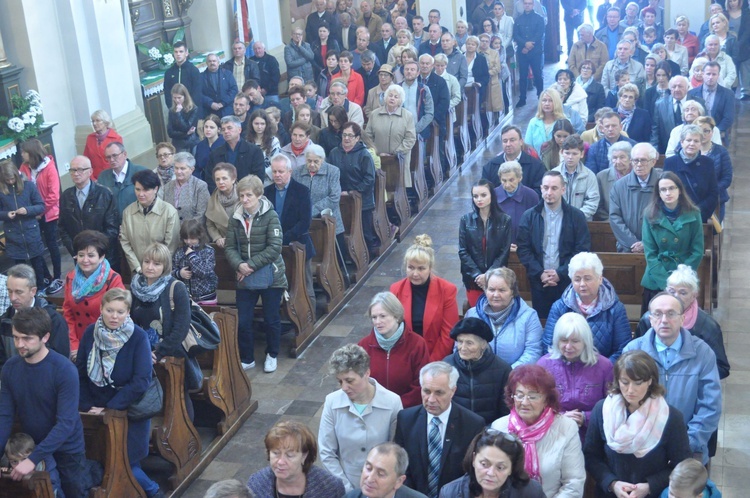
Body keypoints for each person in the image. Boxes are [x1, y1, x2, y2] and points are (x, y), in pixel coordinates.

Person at [76, 288, 163, 498]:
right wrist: (87, 407)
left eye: (120, 312)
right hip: (95, 408)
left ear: (128, 313)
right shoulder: (90, 333)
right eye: (110, 310)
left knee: (126, 462)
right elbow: (80, 373)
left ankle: (154, 491)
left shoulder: (138, 337)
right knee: (99, 458)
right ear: (101, 309)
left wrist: (110, 409)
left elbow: (141, 381)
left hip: (129, 408)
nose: (114, 316)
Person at [627, 290, 723, 466]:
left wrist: (686, 443)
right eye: (657, 314)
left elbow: (710, 406)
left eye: (671, 313)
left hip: (690, 447)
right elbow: (622, 400)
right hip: (643, 446)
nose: (664, 320)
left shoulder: (702, 352)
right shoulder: (633, 351)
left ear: (682, 318)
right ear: (649, 318)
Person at [0, 308, 87, 498]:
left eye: (27, 338)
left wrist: (33, 459)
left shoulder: (64, 370)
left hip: (67, 451)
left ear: (45, 337)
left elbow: (65, 423)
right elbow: (4, 415)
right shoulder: (10, 368)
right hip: (31, 446)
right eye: (16, 338)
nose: (19, 344)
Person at [583, 350, 692, 497]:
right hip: (609, 493)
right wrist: (612, 483)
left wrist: (649, 486)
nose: (630, 390)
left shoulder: (671, 417)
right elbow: (591, 456)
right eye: (625, 382)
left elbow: (682, 465)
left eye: (638, 382)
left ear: (650, 381)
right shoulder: (602, 410)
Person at [490, 364, 586, 498]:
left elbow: (573, 482)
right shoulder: (499, 428)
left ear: (547, 399)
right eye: (519, 395)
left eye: (532, 396)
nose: (524, 402)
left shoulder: (566, 428)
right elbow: (490, 479)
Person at [394, 361, 486, 498]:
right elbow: (400, 466)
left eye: (439, 393)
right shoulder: (406, 419)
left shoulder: (472, 424)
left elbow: (472, 472)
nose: (431, 399)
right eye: (426, 391)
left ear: (453, 391)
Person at [318, 344, 403, 491]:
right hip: (343, 483)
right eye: (340, 381)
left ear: (366, 373)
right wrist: (346, 488)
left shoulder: (392, 402)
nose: (344, 387)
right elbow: (326, 452)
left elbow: (396, 451)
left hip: (381, 486)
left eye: (350, 381)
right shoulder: (332, 402)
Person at [225, 174, 288, 373]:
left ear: (259, 195)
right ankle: (247, 357)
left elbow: (275, 247)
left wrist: (249, 265)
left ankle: (272, 354)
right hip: (244, 275)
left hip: (271, 275)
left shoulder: (271, 216)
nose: (244, 200)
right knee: (243, 320)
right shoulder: (235, 218)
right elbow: (229, 247)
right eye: (241, 196)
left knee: (271, 319)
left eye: (249, 195)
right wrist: (239, 265)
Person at [517, 171, 591, 319]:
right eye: (545, 188)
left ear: (563, 189)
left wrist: (560, 273)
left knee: (569, 322)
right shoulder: (529, 216)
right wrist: (540, 273)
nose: (549, 192)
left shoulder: (576, 216)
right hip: (540, 282)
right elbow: (524, 249)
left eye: (554, 188)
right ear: (541, 188)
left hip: (567, 281)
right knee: (543, 322)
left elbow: (582, 249)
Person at [636, 264, 729, 380]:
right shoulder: (648, 319)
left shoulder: (708, 325)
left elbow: (722, 367)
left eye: (683, 293)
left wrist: (689, 375)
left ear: (694, 295)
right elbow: (636, 356)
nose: (676, 297)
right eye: (671, 291)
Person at [542, 251, 631, 362]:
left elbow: (623, 349)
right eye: (577, 279)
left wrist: (602, 369)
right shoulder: (559, 307)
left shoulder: (615, 309)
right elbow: (548, 346)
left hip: (602, 373)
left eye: (587, 278)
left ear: (600, 279)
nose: (582, 284)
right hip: (567, 370)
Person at [538, 312, 613, 442]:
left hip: (593, 435)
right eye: (564, 340)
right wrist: (560, 418)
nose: (568, 347)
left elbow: (613, 406)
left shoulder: (604, 366)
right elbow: (537, 405)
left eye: (575, 341)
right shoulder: (544, 365)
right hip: (553, 433)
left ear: (586, 342)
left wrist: (585, 417)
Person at [640, 171, 704, 311]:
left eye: (671, 188)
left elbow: (697, 251)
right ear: (659, 193)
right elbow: (650, 253)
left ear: (679, 190)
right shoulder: (650, 214)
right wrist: (666, 282)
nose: (668, 193)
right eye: (663, 189)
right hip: (656, 279)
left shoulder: (693, 213)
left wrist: (679, 279)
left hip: (682, 280)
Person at [390, 235, 458, 361]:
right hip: (405, 357)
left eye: (421, 268)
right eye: (411, 268)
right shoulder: (396, 290)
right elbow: (393, 330)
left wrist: (430, 363)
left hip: (435, 357)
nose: (415, 273)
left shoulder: (447, 290)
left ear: (430, 268)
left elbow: (448, 334)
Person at [358, 292, 430, 407]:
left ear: (396, 316)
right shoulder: (364, 345)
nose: (377, 322)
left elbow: (421, 384)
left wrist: (396, 406)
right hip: (374, 409)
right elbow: (359, 381)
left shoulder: (417, 344)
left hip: (406, 410)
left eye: (382, 316)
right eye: (374, 317)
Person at [264, 154, 316, 311]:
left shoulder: (301, 191)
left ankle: (309, 315)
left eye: (281, 171)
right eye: (274, 172)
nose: (277, 175)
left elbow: (304, 222)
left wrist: (282, 239)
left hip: (297, 245)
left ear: (289, 171)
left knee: (304, 283)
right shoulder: (266, 192)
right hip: (273, 247)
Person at [63, 230, 125, 362]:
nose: (85, 260)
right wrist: (74, 345)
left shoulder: (112, 279)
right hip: (79, 345)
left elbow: (119, 317)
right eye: (81, 255)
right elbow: (68, 314)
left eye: (91, 255)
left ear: (101, 257)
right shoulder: (70, 278)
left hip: (106, 345)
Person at [247, 420, 347, 497]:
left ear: (304, 456)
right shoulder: (256, 484)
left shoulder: (331, 487)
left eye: (289, 455)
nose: (281, 462)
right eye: (276, 453)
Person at [439, 428, 547, 498]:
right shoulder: (450, 493)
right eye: (484, 464)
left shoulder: (531, 493)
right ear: (473, 459)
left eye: (500, 467)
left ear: (511, 468)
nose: (490, 473)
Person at [443, 318, 511, 424]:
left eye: (469, 343)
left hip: (488, 429)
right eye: (460, 342)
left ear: (483, 345)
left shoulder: (502, 369)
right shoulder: (447, 365)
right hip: (455, 427)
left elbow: (505, 409)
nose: (463, 347)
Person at [0, 264, 70, 366]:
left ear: (33, 291)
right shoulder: (4, 321)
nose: (13, 297)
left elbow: (61, 362)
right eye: (10, 291)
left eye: (19, 292)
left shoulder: (53, 320)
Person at [58, 155, 119, 269]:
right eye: (72, 170)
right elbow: (62, 228)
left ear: (90, 171)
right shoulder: (66, 196)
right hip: (79, 256)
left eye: (80, 169)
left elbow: (112, 228)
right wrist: (76, 250)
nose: (76, 173)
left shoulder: (104, 194)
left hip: (102, 256)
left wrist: (94, 251)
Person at [458, 179, 512, 307]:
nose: (479, 199)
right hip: (474, 279)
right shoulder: (466, 220)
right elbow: (463, 251)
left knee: (496, 312)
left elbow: (504, 251)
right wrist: (478, 275)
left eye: (483, 195)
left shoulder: (505, 220)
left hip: (497, 278)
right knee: (477, 314)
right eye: (475, 196)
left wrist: (488, 275)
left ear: (491, 196)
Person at [329, 121, 380, 254]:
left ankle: (366, 256)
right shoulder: (334, 153)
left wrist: (353, 192)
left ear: (357, 138)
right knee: (344, 231)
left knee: (364, 232)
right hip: (340, 200)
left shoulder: (364, 155)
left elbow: (369, 179)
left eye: (350, 136)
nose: (346, 138)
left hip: (362, 201)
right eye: (344, 135)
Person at [19, 139, 63, 295]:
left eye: (24, 152)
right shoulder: (24, 167)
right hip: (33, 213)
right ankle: (46, 276)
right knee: (37, 246)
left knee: (52, 245)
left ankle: (57, 277)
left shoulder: (49, 168)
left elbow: (53, 195)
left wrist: (39, 212)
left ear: (32, 153)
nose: (21, 154)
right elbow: (21, 189)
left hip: (48, 213)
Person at [119, 169, 180, 274]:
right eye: (137, 189)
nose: (141, 194)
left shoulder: (169, 212)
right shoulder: (128, 212)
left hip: (161, 272)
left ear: (156, 189)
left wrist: (154, 268)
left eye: (145, 190)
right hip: (137, 271)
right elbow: (125, 242)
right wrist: (138, 267)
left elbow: (170, 247)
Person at [0, 161, 48, 291]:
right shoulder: (1, 192)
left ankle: (41, 289)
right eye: (7, 179)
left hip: (30, 231)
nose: (10, 181)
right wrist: (5, 215)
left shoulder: (29, 186)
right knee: (19, 268)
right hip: (13, 235)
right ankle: (24, 290)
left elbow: (40, 206)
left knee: (37, 263)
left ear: (16, 175)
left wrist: (27, 210)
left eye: (12, 178)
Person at [609, 142, 660, 252]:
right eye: (635, 160)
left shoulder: (663, 183)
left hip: (658, 248)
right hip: (628, 248)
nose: (639, 164)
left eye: (643, 160)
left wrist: (647, 243)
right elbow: (615, 217)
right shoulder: (619, 186)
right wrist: (632, 243)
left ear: (653, 162)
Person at [364, 85, 417, 188]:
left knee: (398, 186)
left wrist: (396, 153)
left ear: (400, 100)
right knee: (379, 187)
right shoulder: (375, 114)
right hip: (379, 158)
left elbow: (410, 138)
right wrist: (377, 152)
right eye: (390, 95)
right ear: (385, 97)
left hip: (399, 159)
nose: (392, 98)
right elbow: (368, 136)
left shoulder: (407, 116)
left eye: (396, 97)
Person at [663, 125, 718, 223]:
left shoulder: (708, 163)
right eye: (688, 140)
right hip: (676, 218)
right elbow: (665, 190)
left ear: (701, 143)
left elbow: (713, 193)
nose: (692, 144)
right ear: (682, 142)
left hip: (699, 217)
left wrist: (697, 212)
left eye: (696, 141)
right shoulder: (670, 163)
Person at [292, 144, 345, 237]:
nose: (312, 164)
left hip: (328, 222)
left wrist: (310, 211)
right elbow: (293, 194)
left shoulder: (333, 171)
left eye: (316, 161)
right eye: (309, 161)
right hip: (302, 223)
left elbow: (334, 197)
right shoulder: (297, 172)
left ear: (322, 160)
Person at [206, 115, 266, 193]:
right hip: (222, 197)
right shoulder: (215, 153)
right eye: (223, 129)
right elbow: (210, 179)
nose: (226, 131)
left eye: (229, 128)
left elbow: (258, 178)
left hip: (247, 196)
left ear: (239, 130)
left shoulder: (254, 151)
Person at [482, 125, 546, 198]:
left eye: (512, 140)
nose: (508, 144)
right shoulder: (490, 166)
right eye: (505, 141)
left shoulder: (536, 166)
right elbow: (484, 191)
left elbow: (540, 192)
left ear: (521, 142)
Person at [344, 442, 428, 498]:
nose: (370, 479)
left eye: (380, 474)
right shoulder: (351, 496)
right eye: (368, 468)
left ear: (398, 481)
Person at [551, 135, 599, 221]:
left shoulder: (590, 176)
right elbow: (550, 198)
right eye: (567, 153)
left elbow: (592, 202)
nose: (570, 157)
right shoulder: (553, 175)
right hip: (558, 221)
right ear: (562, 152)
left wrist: (576, 217)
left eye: (574, 153)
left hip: (582, 223)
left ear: (582, 154)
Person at [695, 116, 732, 222]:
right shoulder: (689, 151)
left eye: (706, 131)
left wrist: (712, 191)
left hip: (716, 199)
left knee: (713, 233)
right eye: (699, 130)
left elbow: (727, 178)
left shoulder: (721, 152)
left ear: (712, 132)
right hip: (692, 200)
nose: (703, 134)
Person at [172, 219, 218, 305]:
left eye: (192, 238)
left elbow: (205, 272)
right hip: (186, 297)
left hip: (206, 296)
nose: (188, 242)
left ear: (200, 235)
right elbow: (171, 271)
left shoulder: (208, 251)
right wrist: (179, 273)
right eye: (186, 238)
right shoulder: (179, 252)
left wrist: (192, 256)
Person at [687, 61, 736, 142]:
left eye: (714, 74)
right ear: (703, 74)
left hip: (719, 135)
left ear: (718, 76)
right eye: (708, 74)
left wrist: (714, 133)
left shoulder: (728, 94)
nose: (710, 77)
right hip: (695, 136)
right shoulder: (692, 93)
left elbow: (728, 118)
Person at [97, 142, 148, 218]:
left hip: (139, 221)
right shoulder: (103, 177)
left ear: (124, 154)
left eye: (115, 155)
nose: (111, 160)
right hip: (114, 225)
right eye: (108, 157)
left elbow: (151, 200)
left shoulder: (142, 172)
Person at [494, 161, 539, 246]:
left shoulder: (531, 196)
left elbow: (536, 226)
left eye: (511, 180)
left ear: (520, 178)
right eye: (504, 180)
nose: (507, 185)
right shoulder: (493, 195)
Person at [160, 152, 210, 225]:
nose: (178, 171)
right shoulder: (167, 186)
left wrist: (187, 231)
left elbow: (201, 214)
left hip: (193, 231)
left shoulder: (200, 186)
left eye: (182, 168)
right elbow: (164, 211)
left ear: (192, 170)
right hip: (172, 230)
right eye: (176, 168)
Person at [513, 0, 545, 106]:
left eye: (529, 3)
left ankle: (540, 97)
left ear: (533, 5)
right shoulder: (518, 20)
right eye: (525, 3)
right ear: (523, 5)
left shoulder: (539, 18)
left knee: (538, 74)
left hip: (536, 51)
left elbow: (539, 34)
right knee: (522, 75)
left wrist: (529, 45)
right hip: (522, 51)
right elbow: (516, 35)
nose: (527, 5)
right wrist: (525, 44)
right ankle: (522, 98)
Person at [594, 140, 631, 221]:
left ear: (630, 159)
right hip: (610, 223)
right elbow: (599, 207)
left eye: (622, 157)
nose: (618, 161)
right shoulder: (601, 176)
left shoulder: (638, 175)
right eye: (614, 158)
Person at [206, 163, 239, 247]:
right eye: (217, 179)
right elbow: (210, 224)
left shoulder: (243, 196)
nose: (221, 182)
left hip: (241, 242)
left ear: (233, 179)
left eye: (224, 178)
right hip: (221, 244)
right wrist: (217, 237)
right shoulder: (212, 199)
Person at [524, 90, 568, 155]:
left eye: (550, 100)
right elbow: (528, 147)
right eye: (544, 100)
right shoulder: (533, 122)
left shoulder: (565, 122)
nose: (547, 104)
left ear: (557, 103)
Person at [84, 109, 122, 180]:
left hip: (112, 177)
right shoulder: (90, 138)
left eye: (97, 121)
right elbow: (86, 161)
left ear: (105, 122)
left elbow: (119, 162)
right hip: (95, 178)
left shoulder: (116, 138)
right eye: (93, 121)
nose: (94, 124)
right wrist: (92, 179)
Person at [163, 40, 202, 110]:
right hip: (175, 111)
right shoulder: (169, 73)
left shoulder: (193, 71)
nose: (178, 54)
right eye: (176, 52)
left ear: (186, 53)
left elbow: (197, 93)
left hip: (191, 110)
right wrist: (173, 108)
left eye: (181, 51)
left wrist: (189, 107)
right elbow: (167, 94)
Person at [201, 53, 239, 119]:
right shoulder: (201, 77)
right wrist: (210, 103)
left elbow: (234, 90)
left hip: (227, 111)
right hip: (209, 112)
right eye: (210, 61)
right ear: (206, 63)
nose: (212, 63)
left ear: (218, 62)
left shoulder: (227, 74)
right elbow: (198, 94)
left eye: (214, 61)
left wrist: (223, 103)